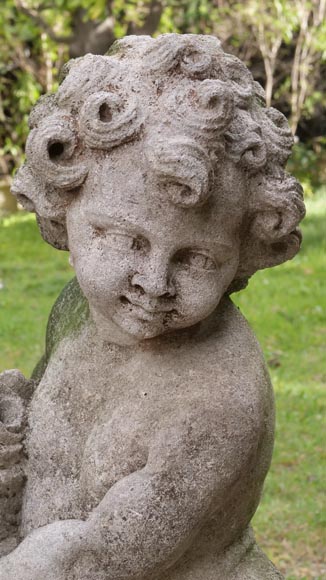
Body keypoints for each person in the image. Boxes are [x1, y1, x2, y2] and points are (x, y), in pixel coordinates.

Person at [0, 34, 304, 579]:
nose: (153, 283)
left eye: (197, 259)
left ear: (241, 255)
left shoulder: (217, 404)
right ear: (63, 206)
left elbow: (100, 559)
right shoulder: (81, 309)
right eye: (126, 239)